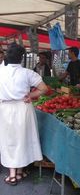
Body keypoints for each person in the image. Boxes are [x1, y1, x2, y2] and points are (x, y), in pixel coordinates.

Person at [0, 43, 48, 186]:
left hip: (6, 109)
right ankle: (20, 171)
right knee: (22, 138)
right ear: (21, 58)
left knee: (9, 140)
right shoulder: (28, 73)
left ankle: (12, 174)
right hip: (23, 108)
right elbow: (44, 89)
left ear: (7, 56)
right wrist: (31, 95)